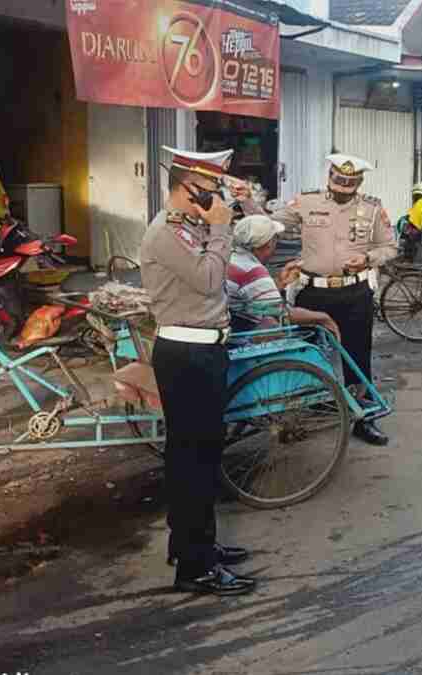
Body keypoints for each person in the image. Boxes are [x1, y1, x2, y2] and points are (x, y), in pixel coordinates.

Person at [139, 146, 255, 597]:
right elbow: (209, 278)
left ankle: (191, 543)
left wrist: (230, 214)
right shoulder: (166, 233)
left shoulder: (189, 225)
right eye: (207, 192)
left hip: (202, 351)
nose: (214, 200)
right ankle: (196, 565)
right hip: (187, 355)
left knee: (197, 456)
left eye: (216, 192)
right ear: (185, 190)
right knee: (194, 460)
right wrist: (222, 226)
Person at [268, 154, 398, 446]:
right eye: (338, 182)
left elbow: (390, 246)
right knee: (309, 354)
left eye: (349, 184)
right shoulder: (307, 202)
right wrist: (248, 202)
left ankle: (364, 417)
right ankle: (311, 410)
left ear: (359, 183)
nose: (342, 189)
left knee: (357, 356)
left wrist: (367, 258)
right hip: (313, 292)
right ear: (329, 177)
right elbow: (270, 224)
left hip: (354, 293)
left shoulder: (372, 208)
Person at [227, 214, 340, 339]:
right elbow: (280, 312)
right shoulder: (252, 270)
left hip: (232, 325)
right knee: (273, 326)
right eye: (275, 239)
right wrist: (323, 318)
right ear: (269, 244)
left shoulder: (231, 258)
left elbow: (253, 296)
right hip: (238, 335)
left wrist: (281, 282)